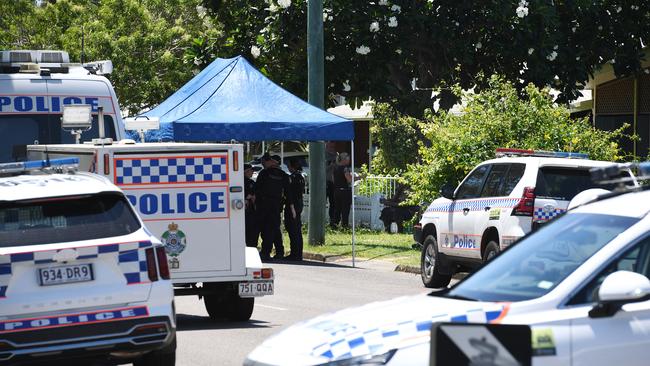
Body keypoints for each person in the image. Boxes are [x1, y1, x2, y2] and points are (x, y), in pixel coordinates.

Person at [255, 153, 291, 261]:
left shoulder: (264, 173)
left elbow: (257, 189)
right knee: (274, 229)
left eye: (264, 162)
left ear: (271, 161)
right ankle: (279, 251)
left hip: (264, 206)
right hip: (276, 205)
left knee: (266, 229)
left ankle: (266, 252)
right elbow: (288, 192)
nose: (263, 164)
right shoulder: (283, 174)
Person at [284, 158, 305, 261]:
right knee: (297, 229)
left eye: (289, 166)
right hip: (299, 204)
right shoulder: (301, 177)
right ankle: (298, 253)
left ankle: (294, 254)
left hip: (292, 205)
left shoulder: (292, 178)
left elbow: (290, 194)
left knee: (293, 229)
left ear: (292, 167)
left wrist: (291, 207)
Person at [331, 152, 353, 228]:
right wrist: (360, 177)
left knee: (337, 209)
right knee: (345, 210)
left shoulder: (335, 168)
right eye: (348, 158)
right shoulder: (345, 168)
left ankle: (335, 224)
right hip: (345, 191)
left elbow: (333, 180)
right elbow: (349, 179)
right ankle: (345, 226)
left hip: (336, 191)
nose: (349, 160)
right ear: (344, 159)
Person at [243, 163, 259, 247]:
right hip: (249, 212)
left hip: (245, 212)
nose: (252, 173)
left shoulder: (236, 182)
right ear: (245, 171)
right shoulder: (250, 183)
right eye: (251, 171)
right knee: (251, 233)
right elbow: (253, 197)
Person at [325, 142, 338, 227]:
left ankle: (332, 222)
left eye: (333, 145)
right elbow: (322, 169)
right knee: (322, 202)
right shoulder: (323, 154)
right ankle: (320, 221)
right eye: (330, 145)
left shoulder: (337, 155)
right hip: (325, 181)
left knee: (333, 203)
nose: (332, 147)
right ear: (327, 145)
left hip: (334, 183)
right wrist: (331, 165)